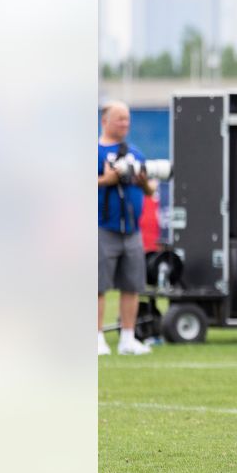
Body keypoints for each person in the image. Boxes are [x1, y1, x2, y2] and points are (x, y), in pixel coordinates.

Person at [97, 101, 155, 356]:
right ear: (105, 121)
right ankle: (96, 338)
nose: (125, 124)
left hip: (132, 229)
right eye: (119, 119)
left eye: (127, 119)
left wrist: (143, 183)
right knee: (97, 286)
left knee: (131, 285)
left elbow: (151, 189)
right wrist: (106, 180)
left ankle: (128, 338)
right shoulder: (95, 151)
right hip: (102, 228)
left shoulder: (135, 152)